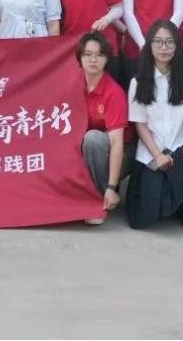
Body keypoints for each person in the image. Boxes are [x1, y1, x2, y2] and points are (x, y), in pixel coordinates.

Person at [125, 20, 183, 230]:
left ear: (177, 45)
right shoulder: (138, 81)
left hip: (182, 144)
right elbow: (140, 124)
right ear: (150, 45)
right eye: (158, 42)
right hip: (152, 148)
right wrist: (157, 155)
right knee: (147, 212)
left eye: (169, 42)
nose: (164, 47)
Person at [77, 32, 127, 226]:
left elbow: (117, 143)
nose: (93, 59)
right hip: (87, 153)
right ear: (80, 58)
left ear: (107, 59)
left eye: (99, 55)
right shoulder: (73, 85)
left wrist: (112, 186)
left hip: (119, 153)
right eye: (88, 54)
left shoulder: (114, 93)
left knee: (93, 139)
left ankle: (98, 199)